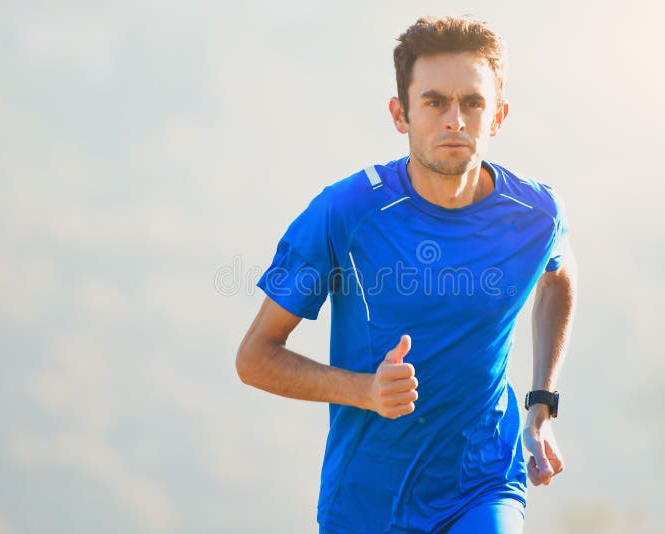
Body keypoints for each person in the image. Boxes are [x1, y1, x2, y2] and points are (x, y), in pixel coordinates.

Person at [236, 15, 577, 534]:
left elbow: (558, 276)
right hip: (368, 505)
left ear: (499, 115)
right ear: (401, 114)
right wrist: (365, 391)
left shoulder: (535, 214)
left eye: (473, 102)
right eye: (435, 101)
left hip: (484, 485)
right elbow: (255, 357)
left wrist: (542, 404)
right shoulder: (345, 213)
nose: (455, 120)